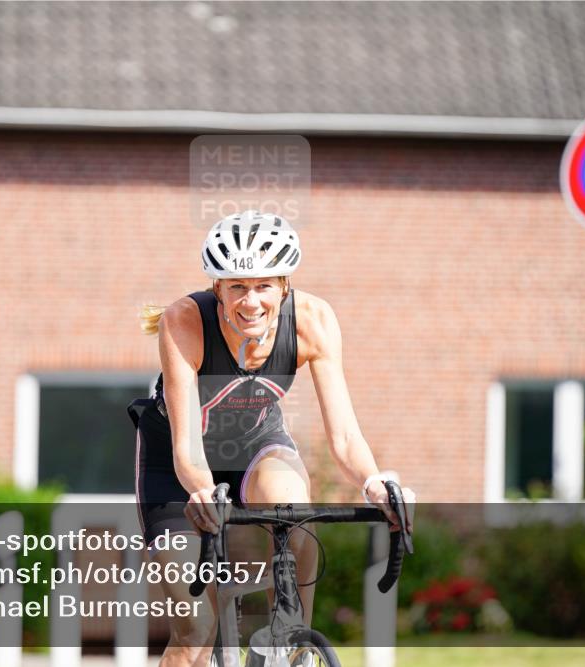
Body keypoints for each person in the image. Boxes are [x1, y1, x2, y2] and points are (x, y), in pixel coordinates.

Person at [129, 210, 414, 667]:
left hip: (256, 441)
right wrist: (204, 493)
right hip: (177, 465)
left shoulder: (313, 321)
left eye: (264, 286)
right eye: (237, 287)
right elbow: (187, 447)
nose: (251, 301)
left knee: (290, 501)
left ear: (284, 286)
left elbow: (343, 435)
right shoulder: (185, 321)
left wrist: (374, 483)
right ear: (217, 288)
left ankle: (291, 638)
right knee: (196, 633)